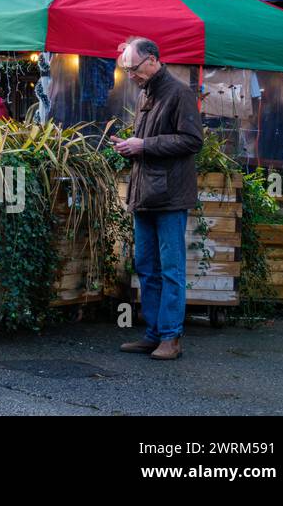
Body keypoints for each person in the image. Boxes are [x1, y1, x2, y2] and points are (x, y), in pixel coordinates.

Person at [110, 36, 201, 362]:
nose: (131, 76)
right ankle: (154, 334)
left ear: (152, 60)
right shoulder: (146, 93)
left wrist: (143, 146)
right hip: (146, 194)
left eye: (133, 69)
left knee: (170, 269)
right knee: (146, 267)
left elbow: (192, 141)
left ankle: (171, 338)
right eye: (127, 70)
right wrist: (130, 146)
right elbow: (149, 143)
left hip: (170, 197)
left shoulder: (180, 93)